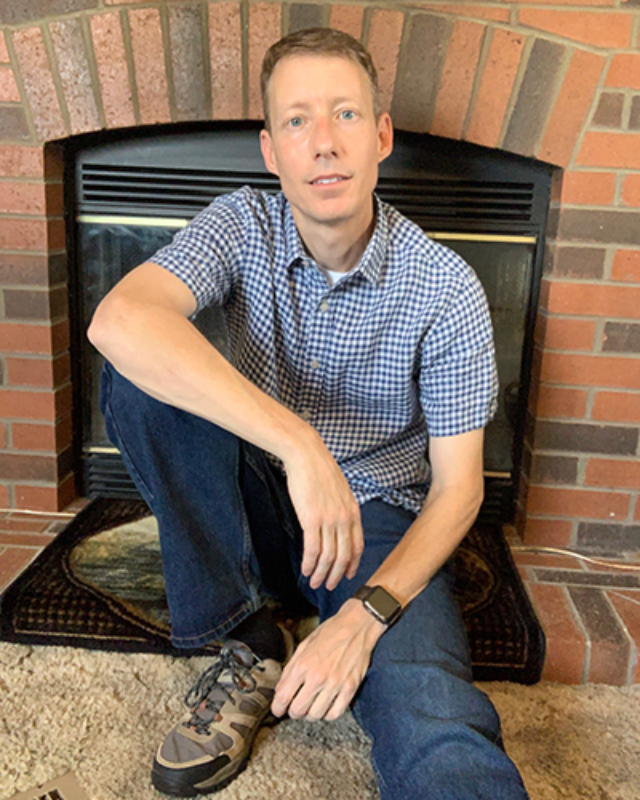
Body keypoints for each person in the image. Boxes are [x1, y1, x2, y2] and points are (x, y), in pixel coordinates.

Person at [88, 27, 530, 800]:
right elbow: (118, 320)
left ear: (381, 136)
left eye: (345, 114)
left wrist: (364, 619)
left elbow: (459, 489)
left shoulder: (446, 287)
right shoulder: (240, 223)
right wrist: (300, 446)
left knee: (427, 707)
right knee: (139, 375)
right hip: (252, 501)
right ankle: (251, 637)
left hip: (373, 522)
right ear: (271, 150)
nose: (323, 141)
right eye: (297, 120)